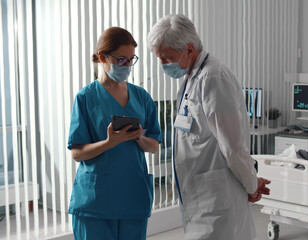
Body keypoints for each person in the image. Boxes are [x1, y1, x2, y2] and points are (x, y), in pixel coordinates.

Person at [147, 14, 270, 240]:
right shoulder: (191, 78)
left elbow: (233, 146)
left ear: (189, 49)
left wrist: (252, 185)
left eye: (167, 58)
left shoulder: (213, 77)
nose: (163, 65)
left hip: (216, 198)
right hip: (200, 195)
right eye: (160, 59)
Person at [67, 27, 161, 240]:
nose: (127, 66)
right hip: (95, 201)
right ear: (103, 57)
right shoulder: (85, 98)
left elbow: (154, 146)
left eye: (131, 59)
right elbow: (77, 153)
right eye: (121, 60)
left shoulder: (142, 97)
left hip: (132, 195)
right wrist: (110, 142)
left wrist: (137, 136)